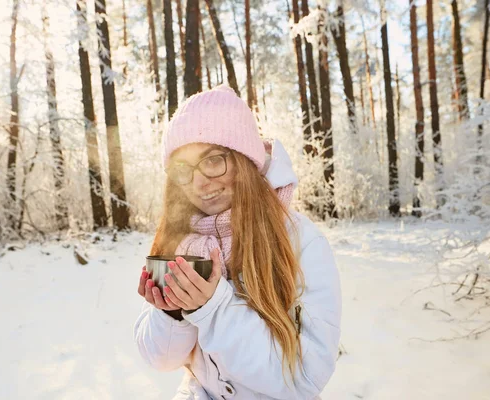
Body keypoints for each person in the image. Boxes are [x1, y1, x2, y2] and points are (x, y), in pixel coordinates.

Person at [134, 85, 342, 400]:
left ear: (245, 161)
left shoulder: (300, 242)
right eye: (183, 169)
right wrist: (172, 313)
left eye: (213, 160)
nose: (200, 182)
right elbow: (160, 360)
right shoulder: (182, 241)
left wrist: (212, 308)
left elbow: (304, 378)